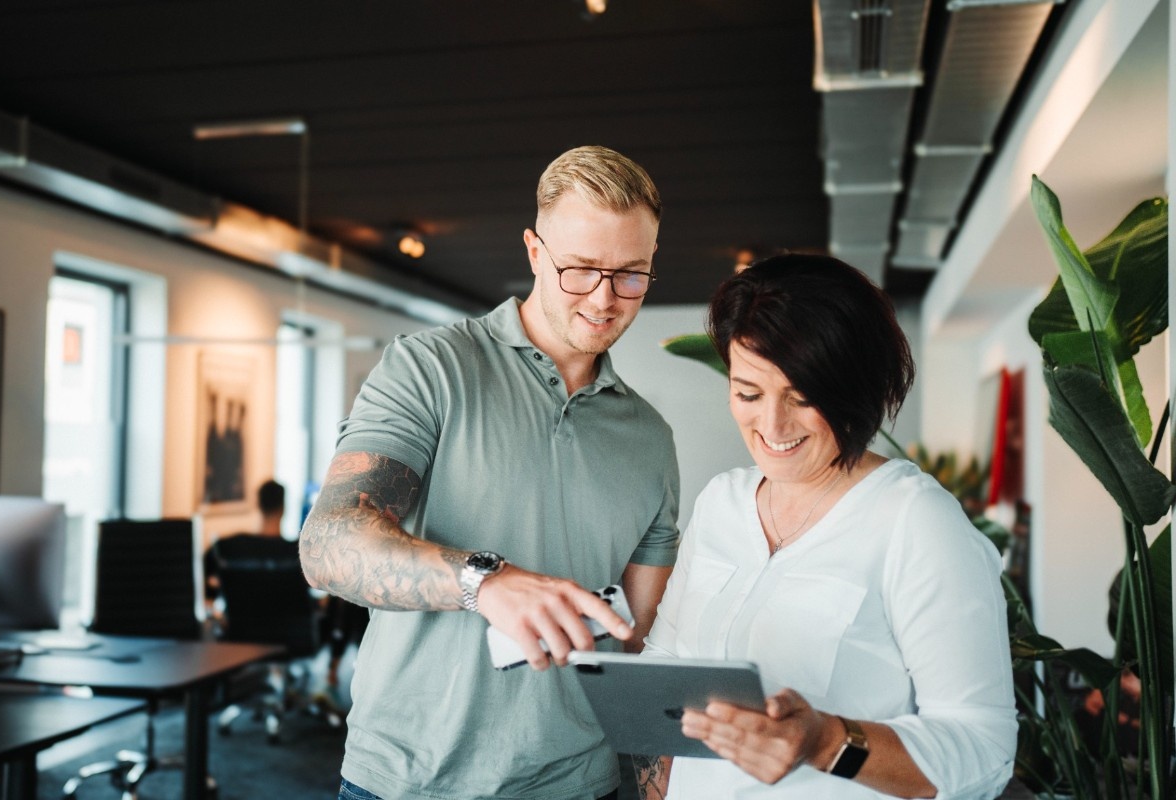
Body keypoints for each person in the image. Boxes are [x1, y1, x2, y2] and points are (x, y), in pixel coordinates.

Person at [299, 145, 681, 800]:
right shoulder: (429, 368)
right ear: (535, 252)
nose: (605, 298)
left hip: (578, 785)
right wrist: (485, 582)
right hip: (407, 784)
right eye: (581, 270)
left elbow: (643, 644)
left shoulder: (650, 439)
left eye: (631, 275)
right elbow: (329, 544)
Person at [635, 255, 1017, 799]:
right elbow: (666, 669)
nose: (772, 426)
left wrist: (825, 742)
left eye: (803, 397)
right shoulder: (722, 501)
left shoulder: (915, 521)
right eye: (748, 394)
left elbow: (984, 751)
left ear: (854, 389)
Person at [204, 478, 290, 599]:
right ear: (283, 508)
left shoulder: (231, 547)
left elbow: (208, 581)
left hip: (240, 616)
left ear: (258, 505)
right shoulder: (293, 554)